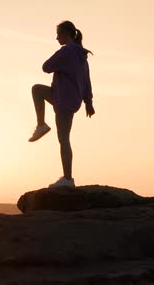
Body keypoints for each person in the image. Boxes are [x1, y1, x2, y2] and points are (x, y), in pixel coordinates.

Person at [29, 20, 95, 188]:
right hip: (69, 98)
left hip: (63, 98)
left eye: (58, 34)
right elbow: (86, 80)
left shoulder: (66, 52)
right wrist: (88, 102)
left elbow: (46, 67)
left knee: (64, 139)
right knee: (37, 89)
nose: (56, 37)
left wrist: (60, 66)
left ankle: (68, 179)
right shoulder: (82, 56)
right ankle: (41, 124)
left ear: (65, 33)